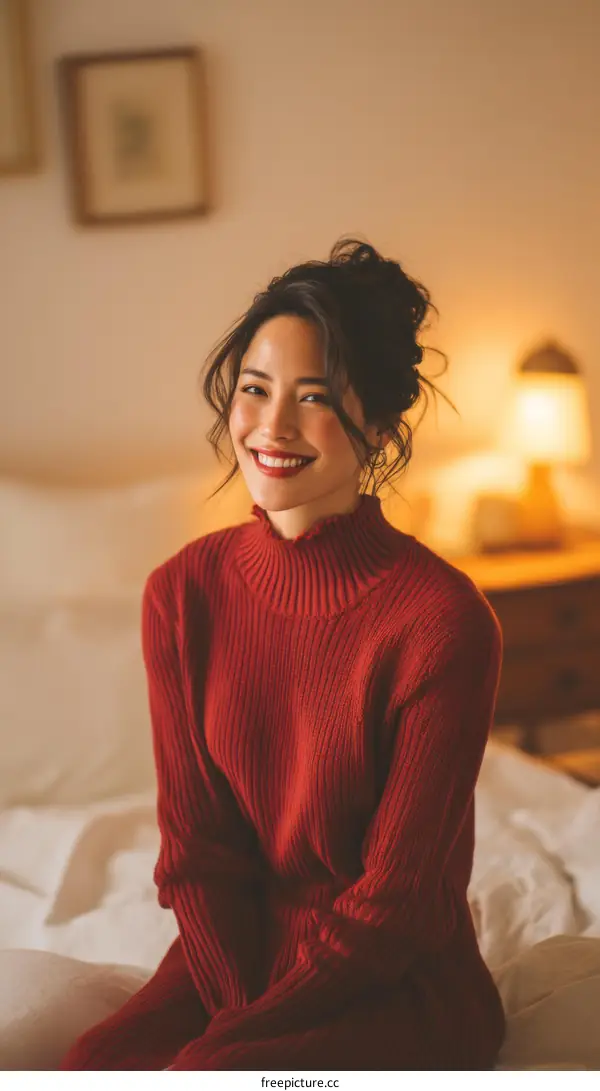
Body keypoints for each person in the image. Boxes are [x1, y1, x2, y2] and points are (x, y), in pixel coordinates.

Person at [59, 237, 506, 1071]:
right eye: (256, 389)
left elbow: (399, 905)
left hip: (396, 980)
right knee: (90, 1066)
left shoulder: (443, 619)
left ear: (376, 421)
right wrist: (240, 1015)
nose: (271, 427)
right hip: (232, 961)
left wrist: (236, 1049)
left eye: (315, 398)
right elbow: (196, 855)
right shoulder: (182, 594)